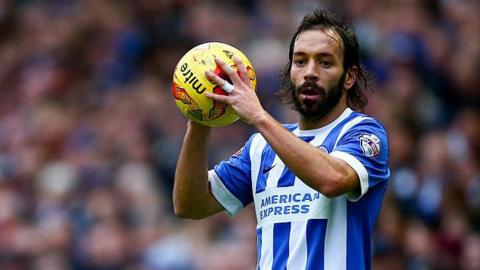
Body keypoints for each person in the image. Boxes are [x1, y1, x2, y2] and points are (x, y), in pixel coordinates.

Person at [173, 8, 390, 270]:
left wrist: (259, 116)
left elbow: (333, 180)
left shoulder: (363, 132)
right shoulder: (260, 147)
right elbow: (190, 204)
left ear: (349, 77)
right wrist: (200, 117)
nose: (310, 72)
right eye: (300, 61)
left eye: (325, 62)